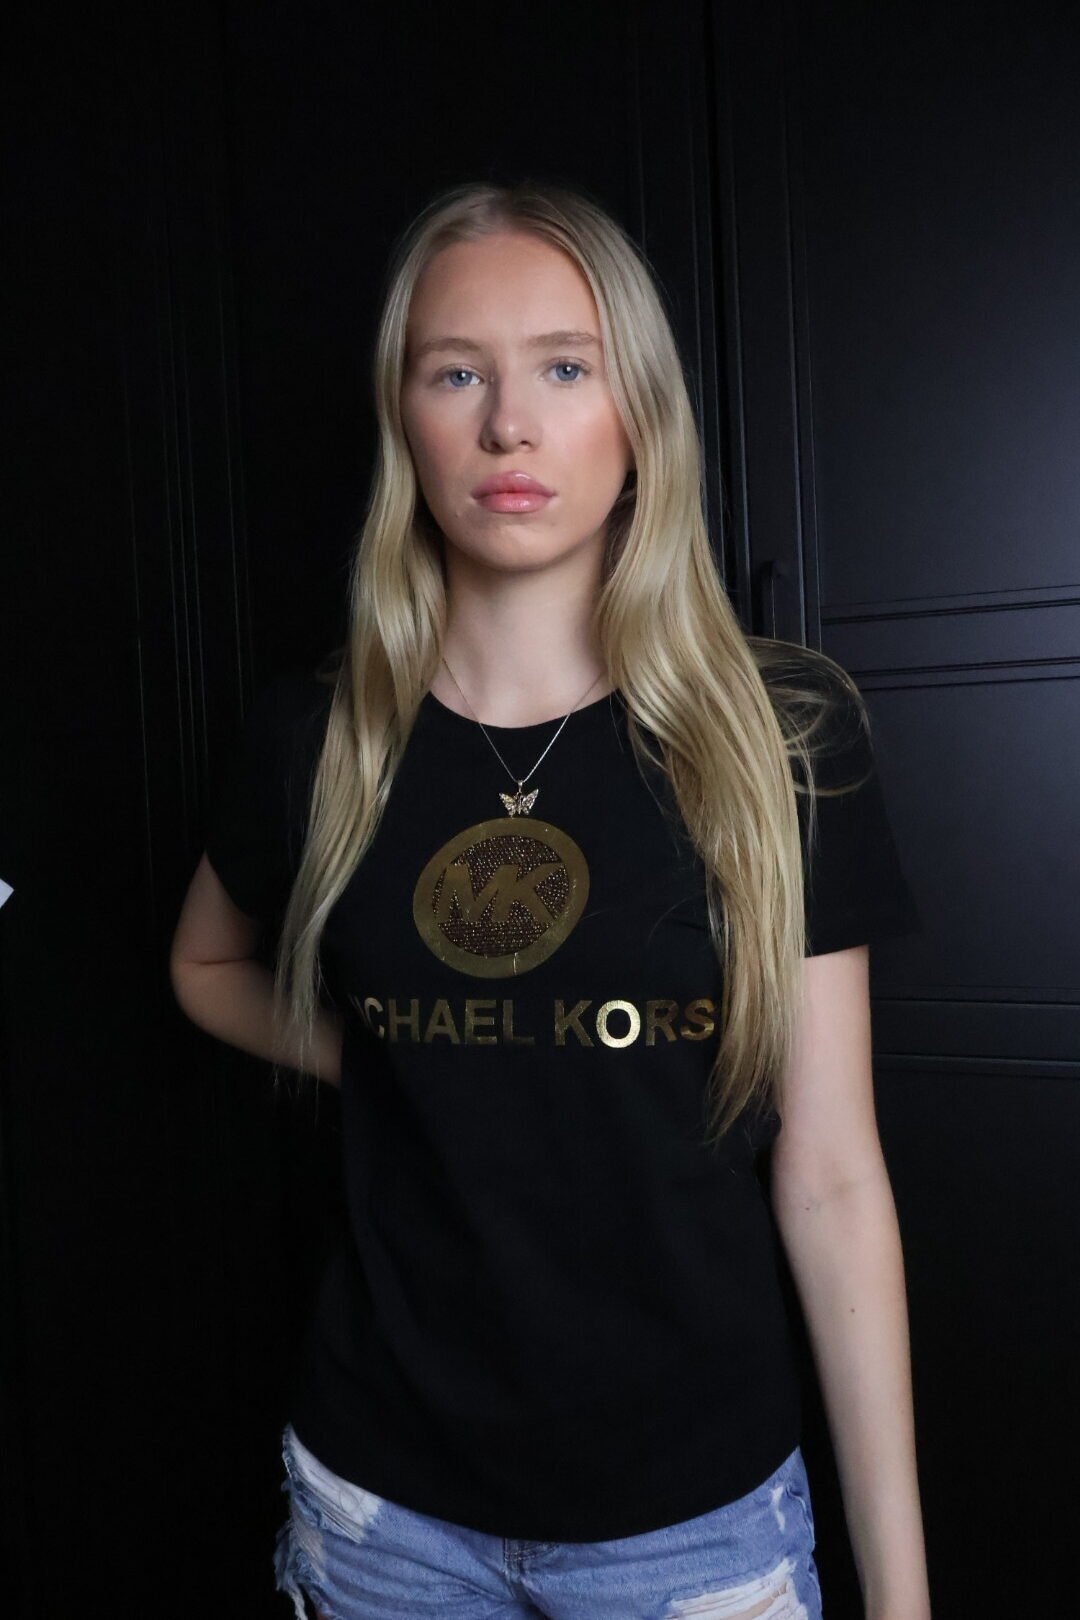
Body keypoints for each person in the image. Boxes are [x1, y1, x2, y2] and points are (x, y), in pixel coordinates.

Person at [170, 179, 932, 1620]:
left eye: (565, 369)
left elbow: (833, 1178)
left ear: (638, 415)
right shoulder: (315, 738)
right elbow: (203, 969)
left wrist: (902, 1596)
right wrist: (398, 1062)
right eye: (456, 373)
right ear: (404, 418)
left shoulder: (781, 739)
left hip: (693, 1533)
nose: (508, 425)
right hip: (381, 1518)